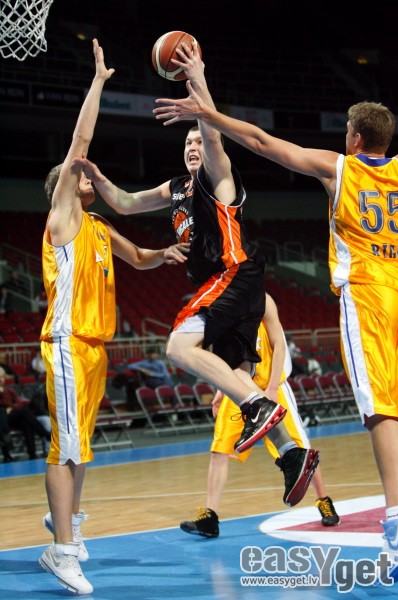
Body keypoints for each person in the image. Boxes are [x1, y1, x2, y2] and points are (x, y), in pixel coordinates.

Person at [153, 73, 398, 583]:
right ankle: (287, 451)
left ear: (355, 138)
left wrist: (208, 112)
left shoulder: (342, 167)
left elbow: (264, 143)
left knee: (382, 411)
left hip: (371, 295)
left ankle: (396, 530)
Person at [73, 44, 300, 467]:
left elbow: (212, 135)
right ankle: (292, 453)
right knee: (235, 376)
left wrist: (197, 79)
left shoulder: (218, 176)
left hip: (234, 273)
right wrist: (100, 179)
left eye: (198, 140)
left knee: (178, 347)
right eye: (188, 142)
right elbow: (125, 204)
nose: (194, 146)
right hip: (228, 286)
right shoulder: (176, 187)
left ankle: (262, 408)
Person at [38, 39, 189, 596]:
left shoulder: (99, 229)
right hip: (67, 341)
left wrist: (166, 254)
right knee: (66, 447)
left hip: (95, 350)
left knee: (80, 445)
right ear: (63, 190)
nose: (86, 176)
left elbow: (140, 258)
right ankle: (60, 551)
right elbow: (79, 144)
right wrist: (99, 82)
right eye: (77, 176)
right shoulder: (64, 218)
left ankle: (66, 522)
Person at [180, 294, 338, 538]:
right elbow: (224, 357)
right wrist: (221, 390)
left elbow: (279, 345)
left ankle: (323, 500)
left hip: (270, 386)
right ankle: (209, 517)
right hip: (238, 388)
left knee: (300, 449)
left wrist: (273, 386)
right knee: (220, 450)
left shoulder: (260, 298)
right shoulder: (220, 303)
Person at [0, 366, 51, 460]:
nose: (1, 379)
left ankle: (32, 454)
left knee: (26, 421)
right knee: (24, 412)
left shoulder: (9, 390)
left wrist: (11, 407)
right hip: (2, 419)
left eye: (2, 377)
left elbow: (19, 402)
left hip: (12, 416)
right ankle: (45, 434)